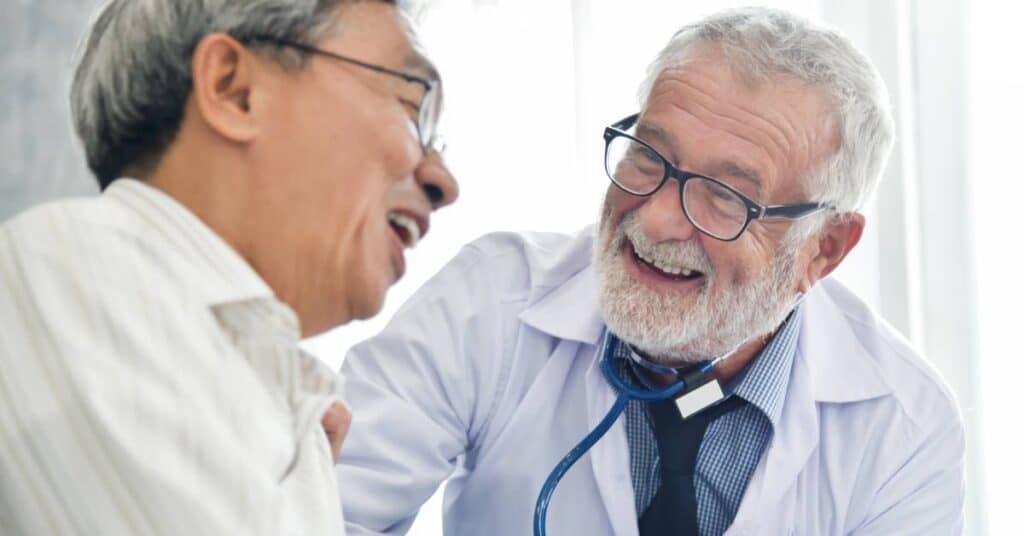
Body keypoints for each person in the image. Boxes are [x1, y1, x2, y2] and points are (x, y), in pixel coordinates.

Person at [336, 7, 964, 535]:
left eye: (724, 195)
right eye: (649, 156)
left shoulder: (903, 423)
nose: (659, 218)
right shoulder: (493, 298)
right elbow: (316, 511)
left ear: (823, 249)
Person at [0, 0, 457, 534]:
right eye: (410, 106)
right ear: (233, 89)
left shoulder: (290, 413)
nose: (443, 181)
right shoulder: (69, 276)